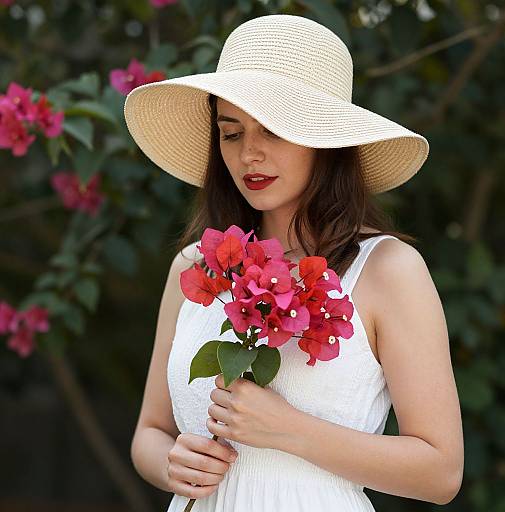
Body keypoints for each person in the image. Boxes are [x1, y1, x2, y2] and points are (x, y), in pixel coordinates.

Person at [124, 14, 464, 512]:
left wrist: (289, 431)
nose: (249, 155)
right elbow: (149, 434)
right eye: (232, 133)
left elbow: (441, 472)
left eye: (274, 130)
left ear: (326, 139)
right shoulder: (195, 269)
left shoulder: (389, 270)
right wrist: (172, 461)